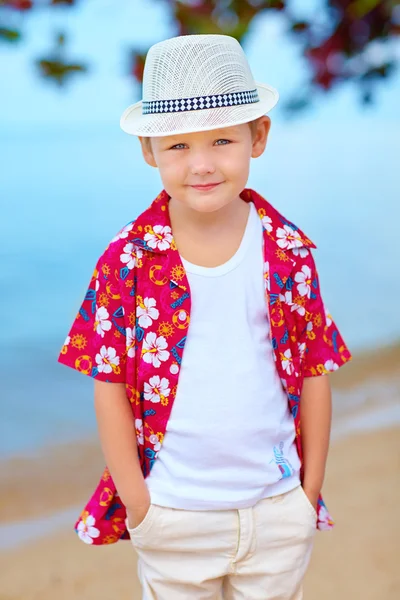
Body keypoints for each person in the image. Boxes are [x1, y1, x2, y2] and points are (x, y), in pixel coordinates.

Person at [58, 34, 351, 600]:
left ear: (257, 137)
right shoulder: (128, 259)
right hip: (173, 511)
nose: (202, 164)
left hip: (276, 506)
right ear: (149, 149)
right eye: (178, 147)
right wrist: (139, 506)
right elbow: (109, 386)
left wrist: (307, 492)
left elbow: (315, 371)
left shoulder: (287, 250)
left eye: (221, 140)